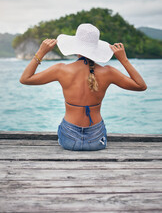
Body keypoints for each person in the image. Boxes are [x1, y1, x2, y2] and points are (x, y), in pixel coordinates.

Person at [20, 23, 147, 151]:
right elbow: (141, 86)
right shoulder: (108, 72)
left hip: (69, 140)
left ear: (75, 47)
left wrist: (41, 53)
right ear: (96, 49)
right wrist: (123, 59)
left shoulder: (61, 70)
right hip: (97, 140)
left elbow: (25, 79)